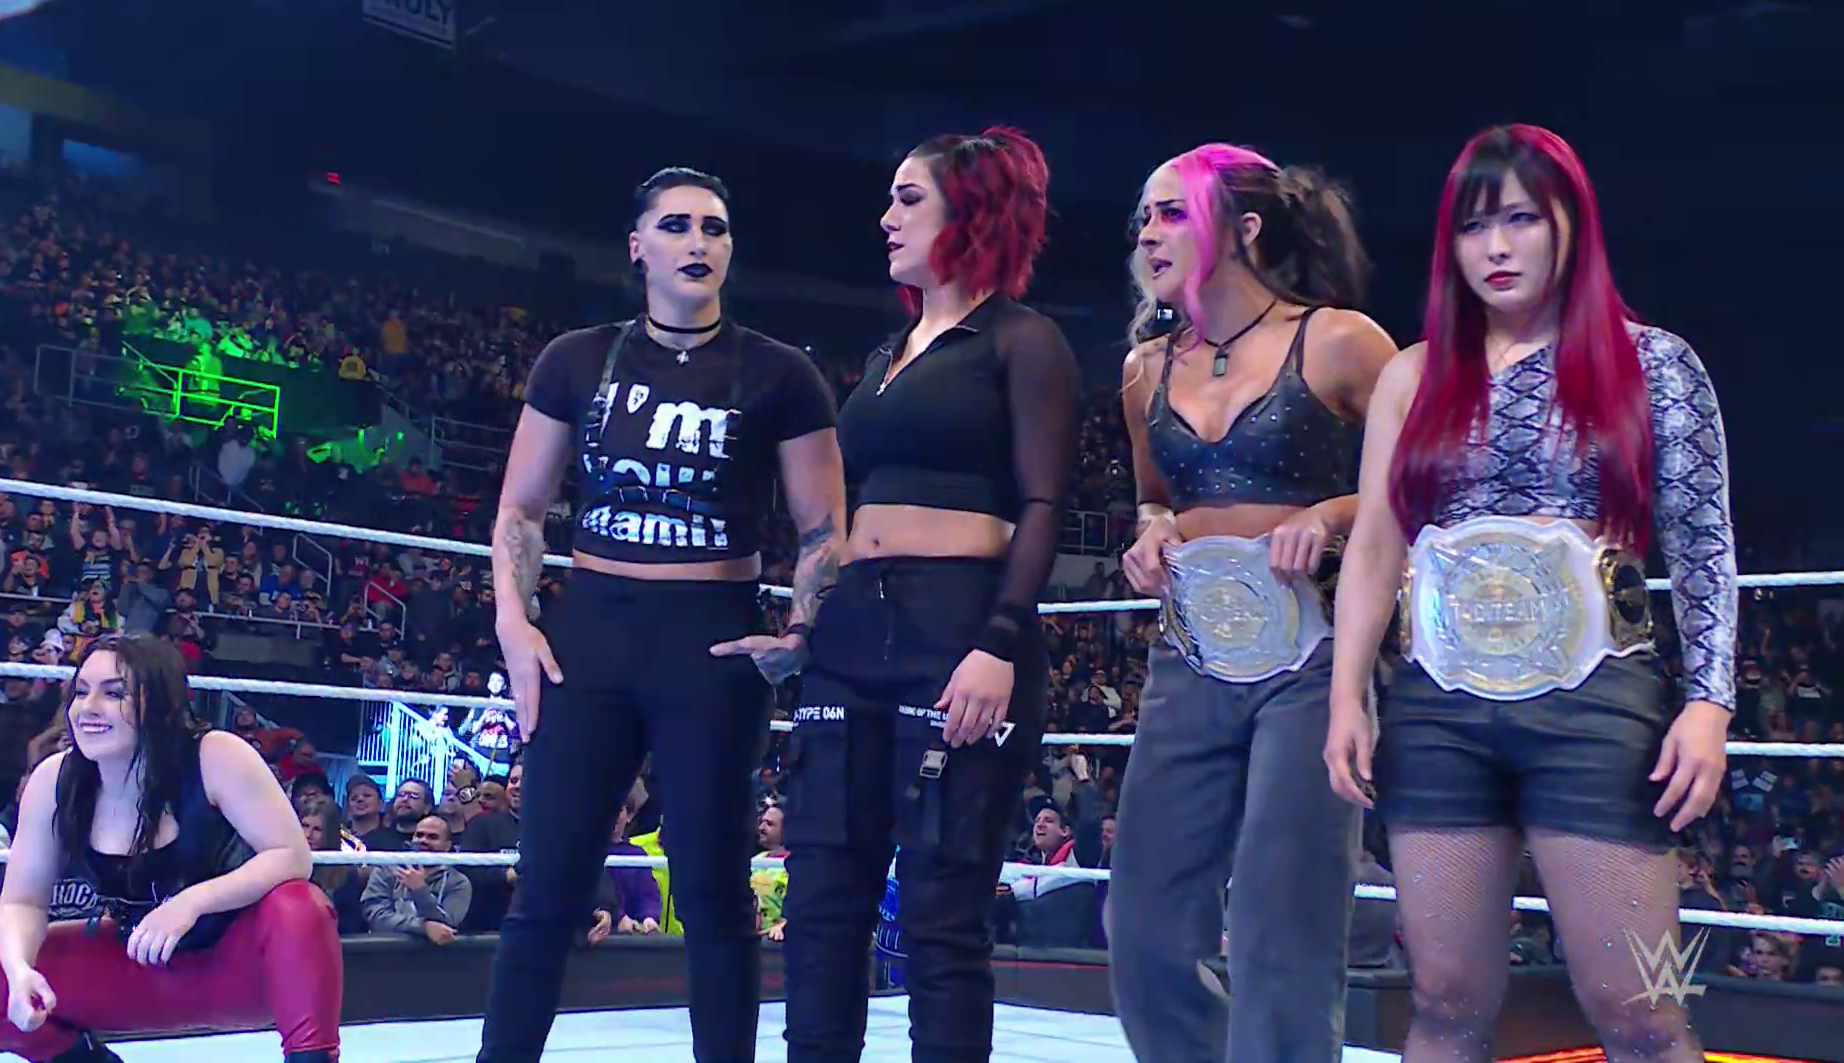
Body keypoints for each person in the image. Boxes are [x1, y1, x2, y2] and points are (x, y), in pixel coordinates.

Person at [1323, 123, 1735, 1062]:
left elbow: (1704, 544)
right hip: (1437, 708)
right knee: (1443, 1002)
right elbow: (1377, 545)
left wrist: (1710, 702)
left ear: (1570, 226)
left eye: (1520, 220)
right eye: (1474, 227)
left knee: (1645, 1011)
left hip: (1597, 707)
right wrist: (1348, 693)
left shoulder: (1655, 362)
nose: (1497, 248)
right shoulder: (1414, 373)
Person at [483, 166, 845, 1063]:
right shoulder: (575, 359)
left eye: (714, 228)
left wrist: (801, 634)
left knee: (716, 889)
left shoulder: (781, 373)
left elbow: (824, 529)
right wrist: (514, 626)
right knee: (549, 883)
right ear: (638, 246)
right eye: (677, 225)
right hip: (592, 631)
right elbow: (521, 512)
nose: (698, 242)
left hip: (712, 635)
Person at [782, 127, 1079, 1063]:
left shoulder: (1023, 341)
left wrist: (998, 638)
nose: (887, 217)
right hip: (853, 628)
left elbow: (1044, 503)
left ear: (972, 211)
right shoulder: (888, 353)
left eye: (909, 198)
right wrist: (803, 621)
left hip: (959, 623)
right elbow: (845, 510)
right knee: (822, 901)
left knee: (943, 910)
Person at [1108, 142, 1398, 1063]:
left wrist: (1331, 515)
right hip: (1191, 653)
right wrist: (1152, 530)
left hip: (1312, 654)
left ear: (1244, 228)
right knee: (1143, 921)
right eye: (1144, 217)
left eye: (1171, 212)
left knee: (1282, 922)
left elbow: (1418, 486)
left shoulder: (1341, 341)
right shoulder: (1145, 369)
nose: (1148, 233)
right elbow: (1155, 495)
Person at [0, 635, 341, 1062]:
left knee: (299, 904)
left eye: (114, 693)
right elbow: (22, 902)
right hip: (141, 962)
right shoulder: (55, 779)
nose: (88, 708)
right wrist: (19, 973)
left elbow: (291, 855)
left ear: (160, 704)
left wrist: (192, 902)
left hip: (242, 966)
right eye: (81, 691)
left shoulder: (216, 754)